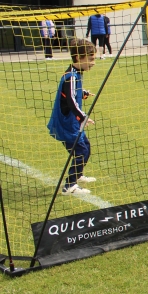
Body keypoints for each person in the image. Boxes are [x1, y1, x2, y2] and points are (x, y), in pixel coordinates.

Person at [47, 39, 97, 195]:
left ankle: (78, 174)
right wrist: (83, 117)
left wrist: (83, 93)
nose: (93, 63)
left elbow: (72, 93)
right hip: (66, 124)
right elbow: (70, 99)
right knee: (81, 151)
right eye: (91, 58)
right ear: (79, 57)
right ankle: (69, 186)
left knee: (85, 148)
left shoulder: (75, 74)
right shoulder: (71, 76)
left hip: (73, 123)